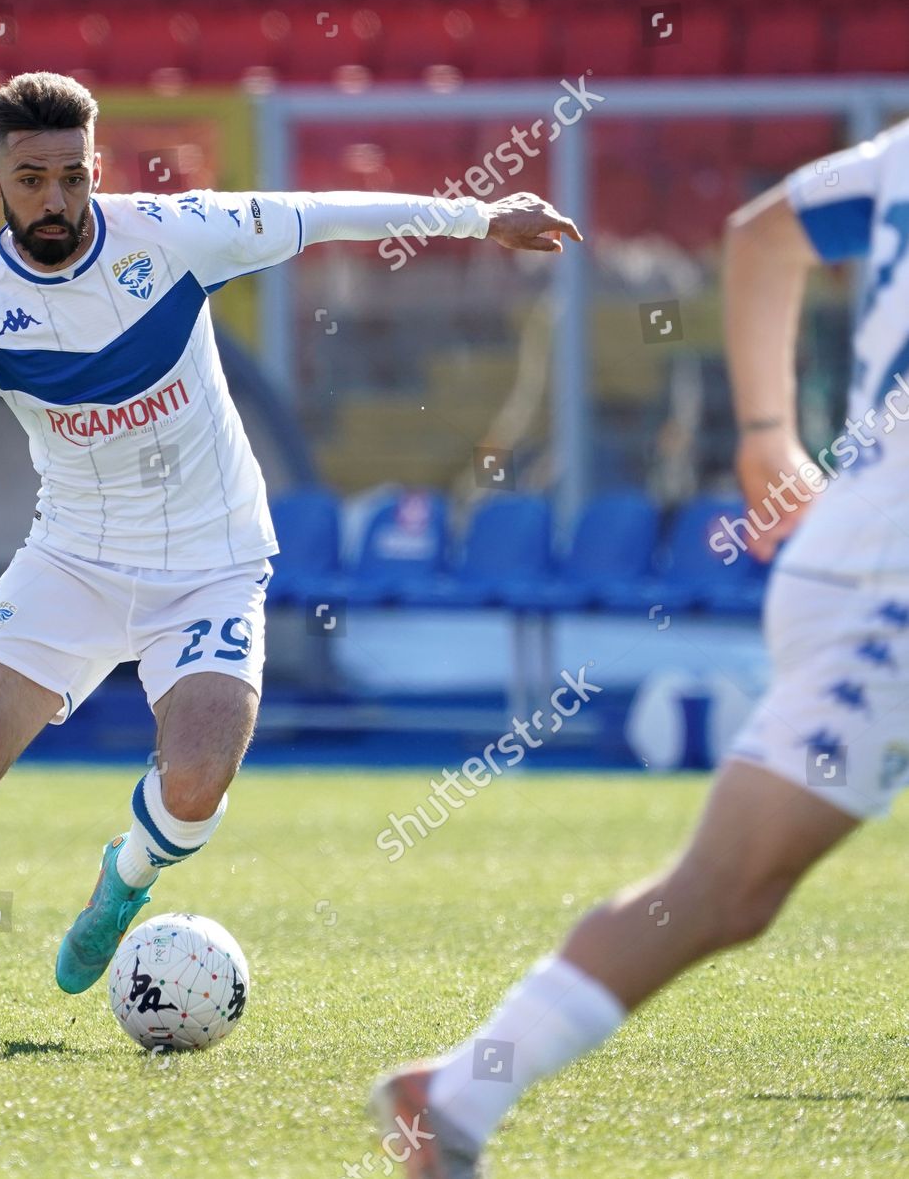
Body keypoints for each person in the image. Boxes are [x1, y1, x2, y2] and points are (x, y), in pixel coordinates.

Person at [0, 70, 580, 1045]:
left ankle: (125, 882)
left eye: (72, 176)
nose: (56, 200)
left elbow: (320, 215)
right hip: (69, 558)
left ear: (95, 168)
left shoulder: (172, 234)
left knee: (196, 782)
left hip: (211, 560)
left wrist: (481, 216)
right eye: (31, 179)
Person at [370, 120, 909, 1177]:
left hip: (860, 556)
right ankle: (462, 1090)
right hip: (887, 592)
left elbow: (760, 234)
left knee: (727, 891)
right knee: (726, 887)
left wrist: (765, 433)